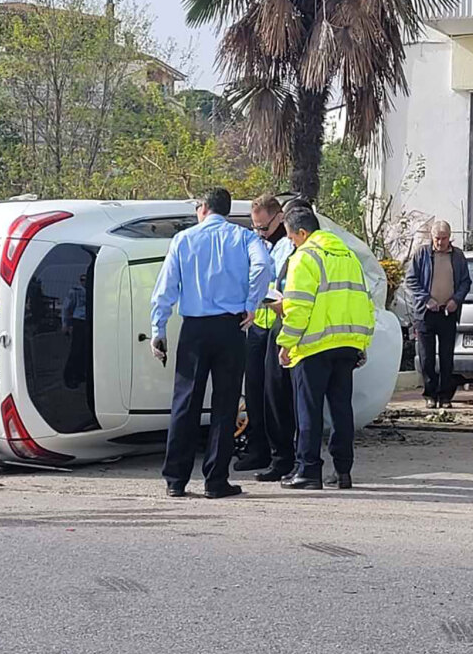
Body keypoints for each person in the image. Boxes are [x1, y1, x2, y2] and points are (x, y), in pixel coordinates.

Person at [150, 187, 272, 500]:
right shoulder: (245, 238)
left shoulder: (184, 239)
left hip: (194, 329)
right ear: (227, 211)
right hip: (231, 327)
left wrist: (158, 327)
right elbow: (263, 266)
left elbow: (166, 287)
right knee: (226, 403)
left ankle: (175, 480)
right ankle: (216, 481)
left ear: (203, 208)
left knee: (185, 402)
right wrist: (251, 302)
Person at [276, 204, 375, 491]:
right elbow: (365, 302)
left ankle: (308, 470)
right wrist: (362, 342)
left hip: (314, 346)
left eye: (291, 237)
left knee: (309, 410)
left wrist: (286, 343)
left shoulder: (306, 256)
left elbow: (297, 306)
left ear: (303, 233)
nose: (291, 243)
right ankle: (342, 471)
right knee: (341, 409)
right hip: (347, 345)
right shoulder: (349, 257)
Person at [234, 194, 296, 474]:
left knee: (275, 395)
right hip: (257, 323)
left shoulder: (288, 245)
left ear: (279, 217)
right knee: (254, 391)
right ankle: (257, 448)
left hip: (277, 323)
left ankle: (279, 454)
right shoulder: (258, 242)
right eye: (255, 226)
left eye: (263, 226)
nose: (259, 231)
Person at [405, 220, 471, 409]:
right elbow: (411, 280)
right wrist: (426, 299)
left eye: (444, 238)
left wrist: (455, 301)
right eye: (437, 238)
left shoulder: (457, 256)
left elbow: (466, 282)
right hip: (426, 313)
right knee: (426, 357)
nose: (440, 242)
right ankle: (430, 394)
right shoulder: (422, 254)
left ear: (450, 238)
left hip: (448, 312)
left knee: (446, 357)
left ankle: (445, 396)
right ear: (431, 238)